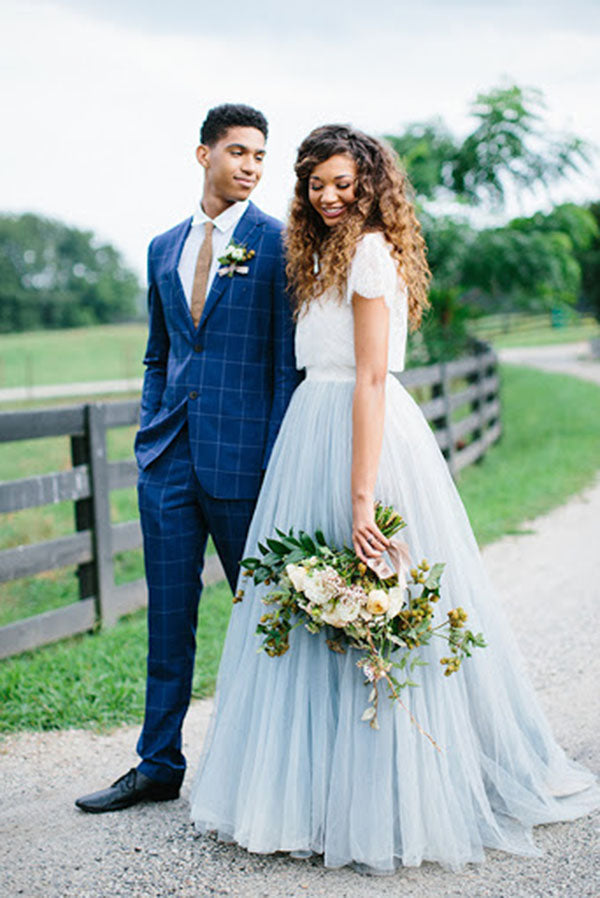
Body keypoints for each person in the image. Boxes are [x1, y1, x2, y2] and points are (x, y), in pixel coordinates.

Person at [189, 124, 600, 871]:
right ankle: (308, 798)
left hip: (364, 437)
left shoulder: (373, 254)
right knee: (311, 609)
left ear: (371, 183)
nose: (329, 196)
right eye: (316, 184)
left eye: (344, 183)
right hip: (310, 433)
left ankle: (394, 798)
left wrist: (360, 499)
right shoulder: (314, 253)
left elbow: (372, 379)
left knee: (376, 598)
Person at [75, 104, 300, 814]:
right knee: (167, 621)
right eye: (238, 152)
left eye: (261, 156)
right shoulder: (162, 246)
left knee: (266, 620)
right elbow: (159, 352)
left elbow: (284, 368)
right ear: (203, 154)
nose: (251, 167)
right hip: (168, 462)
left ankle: (275, 771)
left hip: (245, 466)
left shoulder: (280, 245)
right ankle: (157, 765)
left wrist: (274, 464)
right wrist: (150, 433)